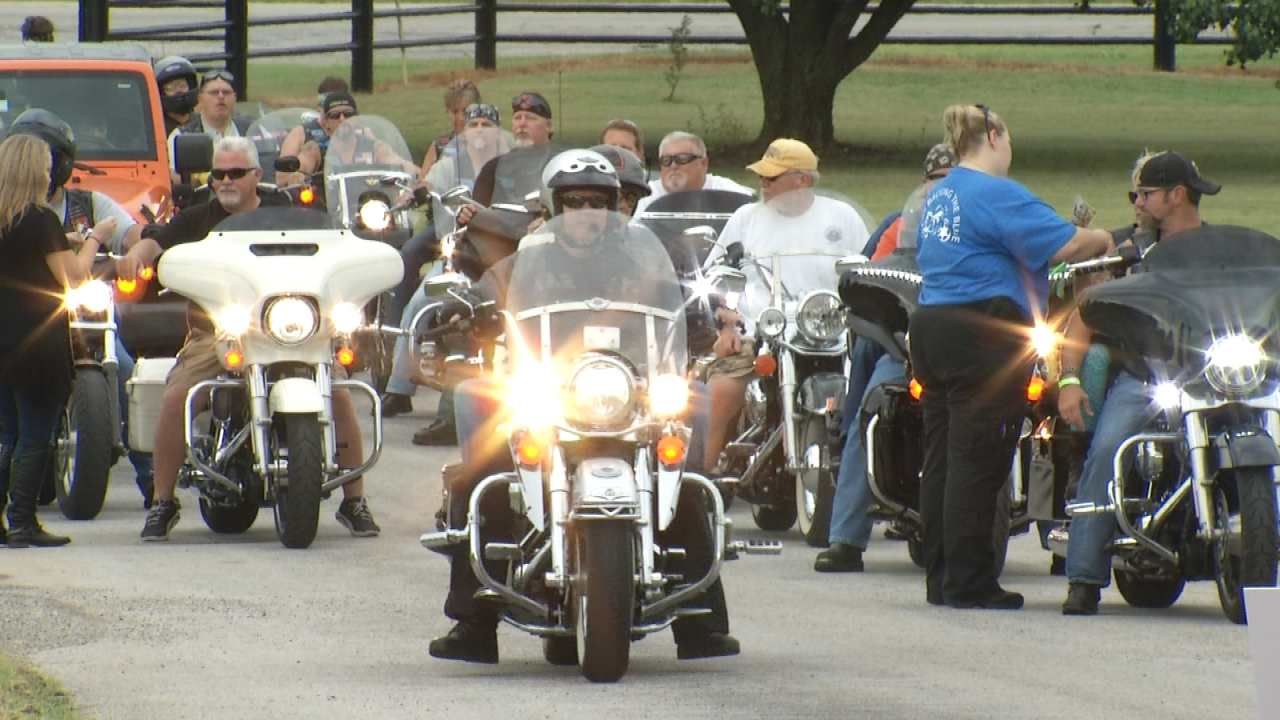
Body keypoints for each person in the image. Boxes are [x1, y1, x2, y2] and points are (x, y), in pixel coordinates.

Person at [427, 149, 738, 664]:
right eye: (574, 202)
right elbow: (484, 295)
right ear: (553, 206)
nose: (586, 212)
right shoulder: (523, 260)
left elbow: (682, 307)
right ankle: (473, 624)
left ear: (615, 206)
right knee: (482, 479)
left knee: (680, 476)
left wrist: (704, 319)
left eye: (597, 201)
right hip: (548, 392)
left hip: (629, 394)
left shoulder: (642, 257)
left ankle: (700, 622)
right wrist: (459, 312)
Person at [116, 137, 382, 541]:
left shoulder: (291, 216)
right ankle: (162, 502)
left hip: (291, 327)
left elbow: (335, 247)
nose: (225, 181)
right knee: (178, 396)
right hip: (220, 332)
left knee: (340, 391)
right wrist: (141, 253)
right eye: (218, 174)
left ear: (257, 175)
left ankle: (355, 501)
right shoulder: (196, 220)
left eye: (236, 173)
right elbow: (158, 240)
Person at [911, 104, 1115, 610]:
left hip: (932, 323)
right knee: (978, 459)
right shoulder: (996, 193)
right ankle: (971, 580)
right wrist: (1106, 239)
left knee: (941, 457)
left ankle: (940, 576)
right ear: (996, 135)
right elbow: (1064, 243)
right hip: (981, 329)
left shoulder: (942, 195)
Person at [1060, 150, 1218, 616]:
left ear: (1176, 195)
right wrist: (1070, 379)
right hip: (1144, 376)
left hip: (1213, 376)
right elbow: (1083, 318)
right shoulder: (1125, 250)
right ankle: (1083, 577)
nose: (1137, 202)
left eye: (1145, 194)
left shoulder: (1220, 250)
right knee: (1108, 448)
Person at [814, 144, 956, 573]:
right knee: (869, 408)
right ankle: (845, 538)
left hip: (979, 352)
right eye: (938, 179)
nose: (945, 189)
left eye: (956, 178)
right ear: (924, 182)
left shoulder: (990, 226)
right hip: (906, 345)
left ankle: (1055, 534)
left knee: (1039, 410)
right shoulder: (898, 225)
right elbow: (866, 277)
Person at [5, 109, 155, 505]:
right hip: (36, 323)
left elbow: (135, 234)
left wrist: (138, 249)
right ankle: (20, 511)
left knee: (123, 367)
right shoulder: (29, 214)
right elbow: (70, 269)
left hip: (82, 316)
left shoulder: (89, 202)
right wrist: (91, 240)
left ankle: (150, 475)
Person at [700, 138, 869, 472]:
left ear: (802, 180)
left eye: (771, 178)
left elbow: (865, 266)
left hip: (829, 330)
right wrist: (730, 323)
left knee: (879, 386)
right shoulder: (746, 217)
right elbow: (717, 271)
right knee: (721, 389)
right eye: (761, 177)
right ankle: (699, 480)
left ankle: (870, 470)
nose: (762, 184)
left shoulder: (842, 217)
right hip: (761, 330)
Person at [379, 103, 513, 427]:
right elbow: (428, 184)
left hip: (504, 254)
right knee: (420, 302)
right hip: (461, 252)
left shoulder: (511, 168)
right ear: (463, 132)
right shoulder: (450, 164)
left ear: (498, 130)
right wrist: (416, 193)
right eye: (473, 124)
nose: (479, 130)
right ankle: (399, 387)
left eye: (486, 123)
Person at [0, 134, 101, 547]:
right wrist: (94, 238)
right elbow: (74, 277)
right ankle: (23, 518)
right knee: (36, 431)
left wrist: (66, 243)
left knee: (6, 432)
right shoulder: (42, 219)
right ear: (35, 171)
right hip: (36, 341)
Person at [634, 131, 753, 214]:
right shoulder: (644, 197)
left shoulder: (729, 194)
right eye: (666, 160)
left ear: (704, 163)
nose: (673, 165)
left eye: (682, 159)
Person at [420, 79, 482, 175]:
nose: (460, 118)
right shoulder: (439, 147)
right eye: (455, 112)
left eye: (465, 111)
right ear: (448, 112)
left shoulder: (490, 143)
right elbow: (422, 185)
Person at [154, 56, 200, 137]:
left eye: (182, 85)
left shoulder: (204, 123)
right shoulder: (156, 129)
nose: (178, 91)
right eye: (171, 88)